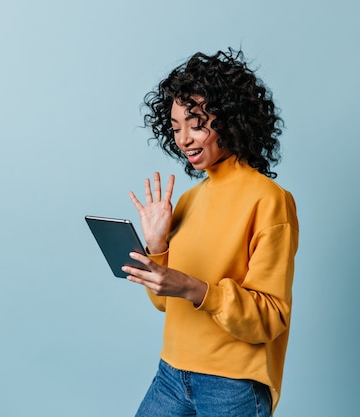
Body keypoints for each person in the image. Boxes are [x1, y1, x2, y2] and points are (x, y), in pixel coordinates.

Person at [123, 48, 299, 417]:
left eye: (197, 123)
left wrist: (193, 287)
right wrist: (155, 247)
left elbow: (270, 317)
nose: (184, 139)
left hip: (231, 385)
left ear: (232, 120)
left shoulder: (269, 200)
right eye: (175, 128)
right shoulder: (188, 200)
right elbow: (164, 302)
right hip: (171, 373)